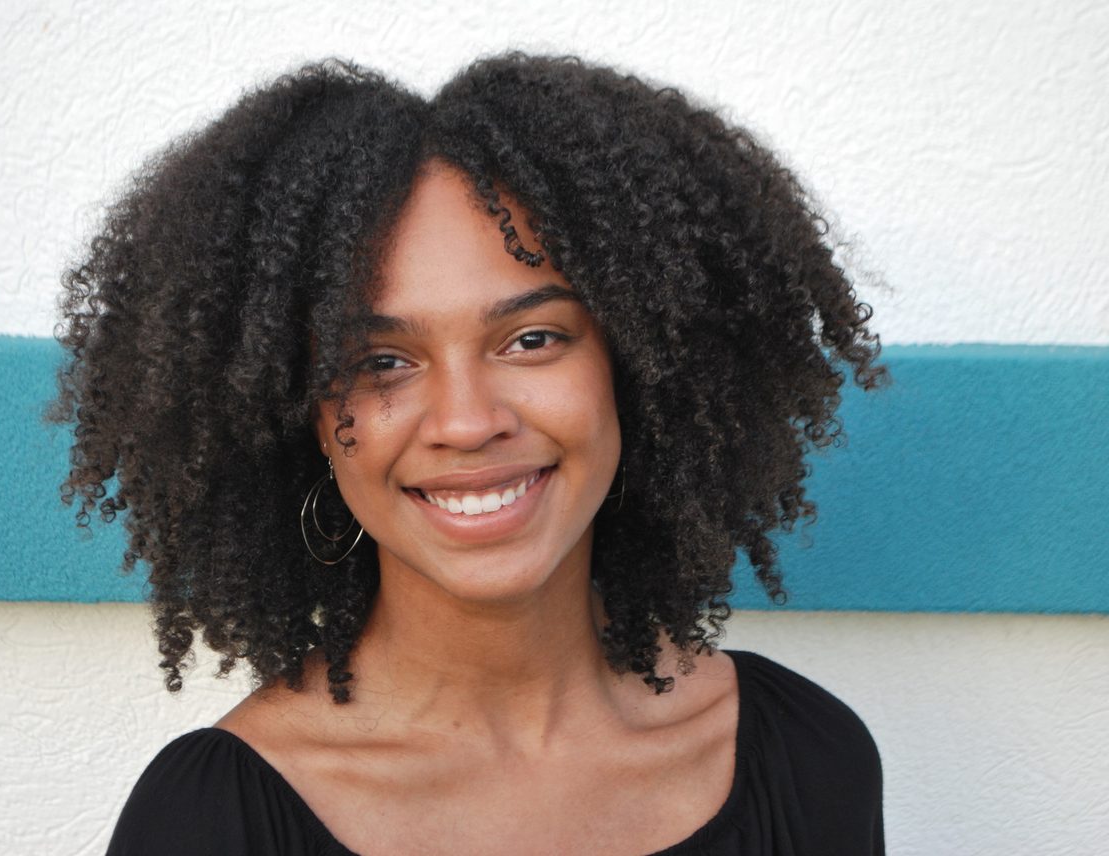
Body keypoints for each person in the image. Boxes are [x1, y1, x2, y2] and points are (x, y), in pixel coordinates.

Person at [50, 52, 888, 855]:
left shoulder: (803, 759)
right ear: (300, 415)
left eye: (532, 339)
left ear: (637, 368)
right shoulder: (214, 821)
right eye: (381, 361)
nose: (466, 422)